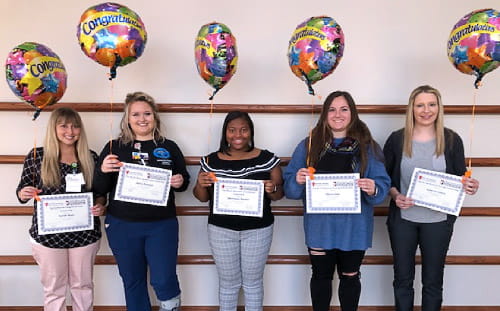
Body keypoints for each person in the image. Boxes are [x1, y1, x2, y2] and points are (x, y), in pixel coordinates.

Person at [283, 91, 390, 311]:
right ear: (324, 114)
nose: (337, 114)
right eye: (331, 109)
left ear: (353, 113)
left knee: (350, 278)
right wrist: (297, 179)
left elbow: (382, 187)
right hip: (320, 226)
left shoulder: (368, 146)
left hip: (354, 228)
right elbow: (290, 191)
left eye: (343, 109)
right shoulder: (309, 145)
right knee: (321, 277)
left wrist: (373, 187)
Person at [383, 85, 480, 311]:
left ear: (439, 107)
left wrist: (469, 185)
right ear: (412, 109)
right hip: (403, 221)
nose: (426, 110)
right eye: (420, 105)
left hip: (438, 222)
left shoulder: (452, 140)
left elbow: (459, 178)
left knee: (433, 283)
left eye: (431, 104)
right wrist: (396, 196)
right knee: (402, 281)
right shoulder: (397, 139)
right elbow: (385, 178)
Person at [93, 92, 190, 311]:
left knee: (164, 279)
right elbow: (99, 188)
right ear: (127, 118)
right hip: (122, 225)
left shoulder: (170, 146)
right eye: (135, 114)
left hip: (161, 225)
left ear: (155, 116)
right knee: (133, 280)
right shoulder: (113, 147)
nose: (142, 119)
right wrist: (102, 170)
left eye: (147, 113)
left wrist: (179, 180)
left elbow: (184, 181)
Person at [193, 111, 283, 311]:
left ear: (251, 131)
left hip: (258, 230)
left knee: (252, 283)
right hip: (221, 230)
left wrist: (272, 188)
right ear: (225, 133)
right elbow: (202, 197)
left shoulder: (267, 158)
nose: (238, 135)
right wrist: (200, 183)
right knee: (228, 284)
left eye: (243, 129)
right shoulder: (210, 161)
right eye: (232, 130)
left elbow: (278, 195)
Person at [16, 107, 104, 311]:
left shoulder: (90, 157)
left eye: (75, 126)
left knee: (83, 286)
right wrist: (24, 193)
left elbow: (100, 192)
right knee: (54, 290)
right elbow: (22, 190)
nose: (70, 131)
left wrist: (100, 205)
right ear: (53, 128)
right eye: (63, 126)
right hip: (48, 237)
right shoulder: (37, 156)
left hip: (84, 236)